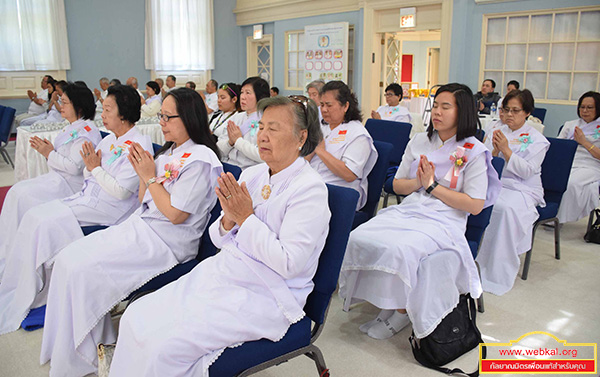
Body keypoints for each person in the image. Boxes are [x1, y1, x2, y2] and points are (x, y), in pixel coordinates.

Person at [109, 95, 330, 376]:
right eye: (261, 127)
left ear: (301, 137)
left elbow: (290, 264)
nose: (262, 135)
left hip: (267, 292)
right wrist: (228, 218)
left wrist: (246, 218)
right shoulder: (255, 174)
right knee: (136, 316)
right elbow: (218, 239)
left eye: (273, 129)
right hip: (227, 271)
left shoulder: (310, 189)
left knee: (166, 345)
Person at [39, 88, 223, 376]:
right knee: (68, 259)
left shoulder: (202, 160)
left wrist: (149, 176)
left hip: (167, 242)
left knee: (83, 269)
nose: (161, 121)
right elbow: (143, 200)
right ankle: (80, 344)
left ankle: (85, 353)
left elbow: (175, 215)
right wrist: (143, 173)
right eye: (160, 115)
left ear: (188, 117)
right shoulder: (170, 150)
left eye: (167, 116)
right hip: (143, 226)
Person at [339, 83, 501, 340]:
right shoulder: (420, 141)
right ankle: (387, 304)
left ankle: (402, 311)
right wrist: (418, 183)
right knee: (360, 236)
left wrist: (432, 186)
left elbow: (475, 204)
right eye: (435, 106)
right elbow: (395, 184)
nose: (437, 112)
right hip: (411, 210)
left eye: (445, 107)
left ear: (463, 112)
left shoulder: (473, 151)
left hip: (446, 219)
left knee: (402, 249)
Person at [0, 84, 153, 337]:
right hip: (90, 198)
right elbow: (86, 171)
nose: (101, 115)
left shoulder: (137, 144)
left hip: (110, 210)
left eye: (107, 110)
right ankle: (23, 285)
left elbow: (120, 192)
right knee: (35, 216)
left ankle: (35, 292)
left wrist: (95, 168)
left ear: (123, 114)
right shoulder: (113, 139)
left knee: (43, 222)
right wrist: (93, 168)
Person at [0, 83, 101, 280]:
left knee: (22, 198)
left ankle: (19, 260)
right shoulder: (74, 126)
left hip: (70, 186)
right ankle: (9, 252)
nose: (60, 106)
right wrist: (50, 151)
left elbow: (74, 167)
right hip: (58, 178)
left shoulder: (87, 131)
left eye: (64, 103)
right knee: (16, 192)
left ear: (79, 107)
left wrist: (49, 153)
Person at [476, 89, 550, 296]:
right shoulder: (496, 131)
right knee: (473, 202)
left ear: (527, 112)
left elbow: (527, 171)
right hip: (496, 181)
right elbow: (482, 161)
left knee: (504, 210)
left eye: (515, 110)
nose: (509, 114)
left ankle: (496, 271)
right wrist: (495, 152)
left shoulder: (537, 140)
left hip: (523, 188)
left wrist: (507, 151)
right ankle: (471, 261)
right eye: (506, 110)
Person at [307, 81, 377, 210]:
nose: (323, 109)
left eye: (329, 105)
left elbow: (349, 174)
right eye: (321, 105)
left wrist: (320, 151)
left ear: (345, 106)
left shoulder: (358, 134)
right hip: (313, 184)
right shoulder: (321, 127)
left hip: (340, 192)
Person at [556, 91, 600, 224]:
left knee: (571, 183)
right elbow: (558, 147)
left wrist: (584, 142)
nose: (585, 111)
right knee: (551, 179)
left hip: (591, 164)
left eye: (589, 107)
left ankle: (559, 219)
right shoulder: (570, 125)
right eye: (582, 107)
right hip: (569, 161)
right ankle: (548, 213)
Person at [217, 76, 270, 169]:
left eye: (248, 93)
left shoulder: (267, 120)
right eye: (241, 92)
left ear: (260, 97)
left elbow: (264, 155)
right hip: (228, 166)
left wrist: (238, 141)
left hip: (250, 171)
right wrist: (230, 142)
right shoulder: (236, 117)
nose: (243, 97)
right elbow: (219, 149)